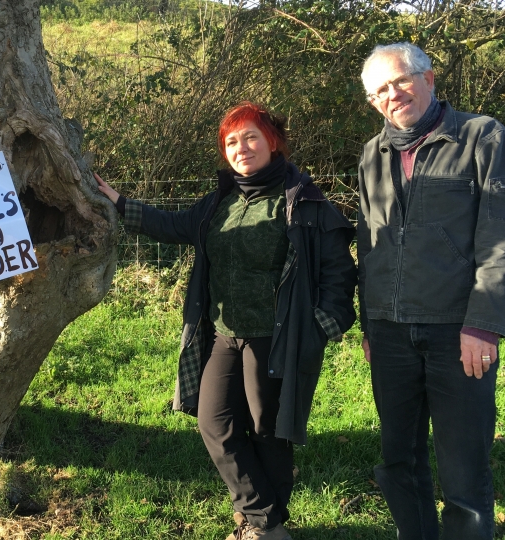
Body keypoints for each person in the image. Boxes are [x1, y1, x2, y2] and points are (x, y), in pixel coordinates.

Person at [96, 102, 357, 540]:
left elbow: (339, 273)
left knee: (267, 431)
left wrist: (319, 328)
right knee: (214, 422)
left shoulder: (303, 203)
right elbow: (173, 224)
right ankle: (266, 521)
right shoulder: (221, 200)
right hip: (223, 334)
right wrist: (120, 203)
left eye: (251, 137)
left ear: (272, 141)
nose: (242, 148)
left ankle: (258, 524)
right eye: (231, 141)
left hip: (275, 338)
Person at [358, 42, 505, 540]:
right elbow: (369, 246)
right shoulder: (372, 153)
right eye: (380, 90)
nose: (393, 94)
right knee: (398, 462)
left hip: (458, 331)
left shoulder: (481, 137)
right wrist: (370, 324)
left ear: (428, 79)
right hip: (389, 332)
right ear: (373, 102)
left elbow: (503, 236)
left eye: (400, 80)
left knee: (463, 470)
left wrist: (483, 325)